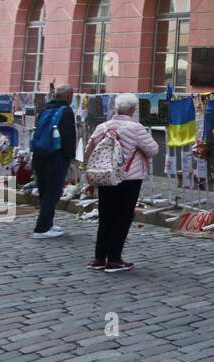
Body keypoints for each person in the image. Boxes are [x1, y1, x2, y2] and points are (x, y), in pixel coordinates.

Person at [87, 93, 159, 272]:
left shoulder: (103, 126)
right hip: (129, 178)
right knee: (123, 217)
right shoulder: (136, 128)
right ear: (132, 109)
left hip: (105, 177)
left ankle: (99, 258)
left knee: (105, 217)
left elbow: (90, 148)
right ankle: (114, 259)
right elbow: (153, 150)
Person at [31, 85, 77, 240]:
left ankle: (48, 223)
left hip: (39, 154)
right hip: (56, 156)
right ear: (68, 96)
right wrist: (70, 158)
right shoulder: (67, 111)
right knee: (53, 192)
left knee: (44, 190)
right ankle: (42, 228)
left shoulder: (45, 108)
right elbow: (68, 136)